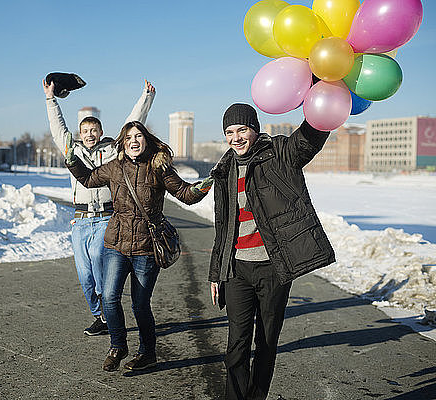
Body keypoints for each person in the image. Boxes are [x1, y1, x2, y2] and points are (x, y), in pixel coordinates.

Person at [208, 103, 335, 400]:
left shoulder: (280, 153)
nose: (236, 138)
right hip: (237, 270)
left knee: (266, 342)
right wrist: (216, 273)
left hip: (273, 268)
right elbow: (223, 227)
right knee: (236, 345)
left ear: (255, 128)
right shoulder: (224, 169)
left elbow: (310, 137)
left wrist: (322, 90)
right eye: (229, 132)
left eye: (242, 130)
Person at [65, 120, 213, 371]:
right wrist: (72, 160)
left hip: (147, 247)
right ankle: (118, 345)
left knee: (140, 304)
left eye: (139, 136)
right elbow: (89, 179)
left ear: (146, 140)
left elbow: (185, 193)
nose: (134, 141)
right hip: (116, 244)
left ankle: (147, 352)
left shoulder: (158, 167)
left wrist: (204, 186)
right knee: (110, 297)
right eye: (129, 137)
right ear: (123, 142)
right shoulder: (114, 167)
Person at [43, 79, 156, 336]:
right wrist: (51, 99)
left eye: (94, 130)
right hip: (80, 221)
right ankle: (101, 315)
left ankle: (108, 311)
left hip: (105, 218)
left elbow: (131, 124)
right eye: (85, 131)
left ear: (101, 131)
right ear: (80, 133)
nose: (90, 134)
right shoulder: (72, 149)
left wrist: (146, 98)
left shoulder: (112, 150)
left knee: (97, 262)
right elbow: (57, 128)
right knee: (84, 276)